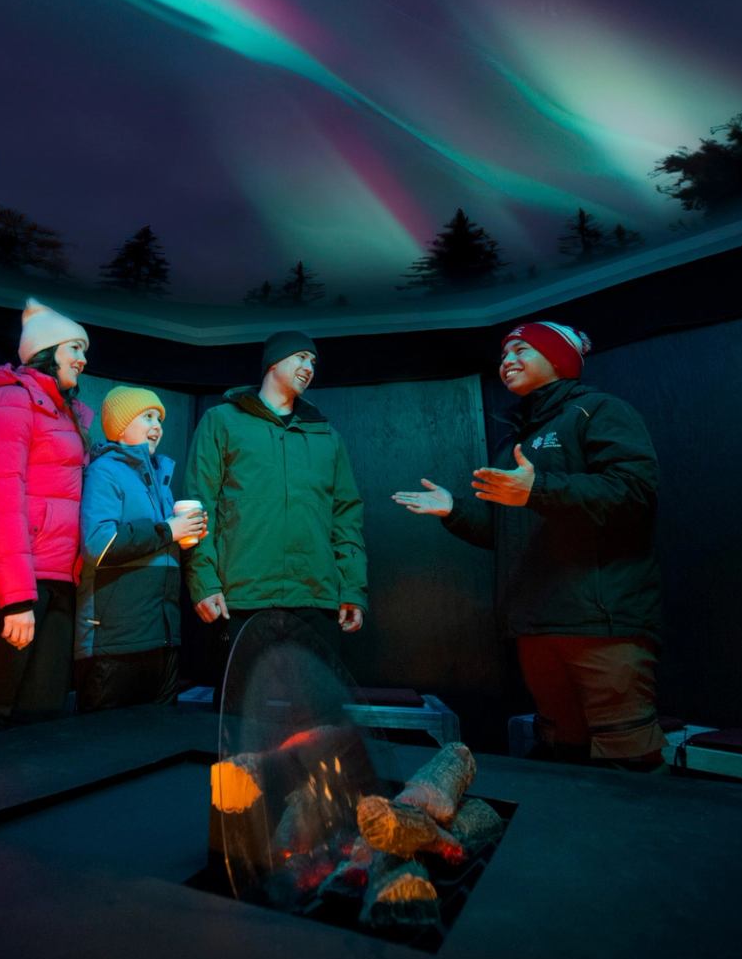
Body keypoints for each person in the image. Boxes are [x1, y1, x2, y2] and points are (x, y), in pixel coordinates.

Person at [393, 321, 665, 770]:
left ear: (558, 358)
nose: (507, 362)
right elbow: (506, 531)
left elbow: (634, 494)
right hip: (535, 626)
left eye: (521, 350)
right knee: (562, 753)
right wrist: (453, 510)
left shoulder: (597, 412)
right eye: (502, 356)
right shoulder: (512, 443)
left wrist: (538, 490)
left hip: (602, 624)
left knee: (628, 760)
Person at [0, 298, 93, 732]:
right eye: (75, 349)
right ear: (45, 351)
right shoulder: (9, 401)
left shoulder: (67, 415)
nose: (83, 360)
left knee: (41, 714)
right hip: (4, 580)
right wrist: (16, 597)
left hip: (54, 578)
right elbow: (0, 499)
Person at [184, 330, 368, 661]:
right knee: (239, 709)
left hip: (316, 601)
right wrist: (204, 582)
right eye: (300, 356)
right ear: (273, 362)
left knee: (318, 709)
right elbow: (199, 507)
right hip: (242, 600)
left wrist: (353, 589)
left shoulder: (327, 436)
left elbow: (346, 517)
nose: (309, 366)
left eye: (313, 361)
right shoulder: (222, 422)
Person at [75, 387, 206, 711]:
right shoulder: (104, 471)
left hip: (162, 637)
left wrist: (187, 535)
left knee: (156, 742)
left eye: (160, 418)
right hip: (115, 642)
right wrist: (168, 530)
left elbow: (159, 548)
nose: (157, 424)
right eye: (147, 416)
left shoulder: (158, 479)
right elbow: (98, 544)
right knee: (106, 744)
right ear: (121, 426)